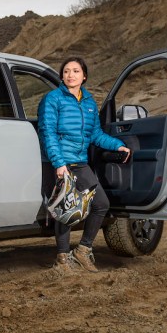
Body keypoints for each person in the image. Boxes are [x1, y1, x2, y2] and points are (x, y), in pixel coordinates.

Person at [37, 57, 131, 274]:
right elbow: (47, 132)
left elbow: (95, 134)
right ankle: (62, 259)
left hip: (80, 162)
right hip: (58, 162)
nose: (71, 75)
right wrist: (59, 164)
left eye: (76, 71)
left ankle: (83, 250)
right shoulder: (52, 99)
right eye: (67, 71)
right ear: (61, 76)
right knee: (65, 208)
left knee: (101, 204)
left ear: (84, 76)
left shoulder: (88, 102)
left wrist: (117, 145)